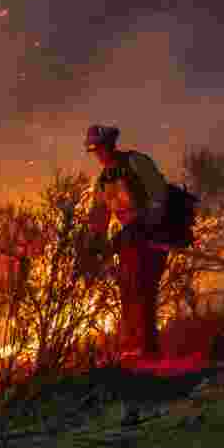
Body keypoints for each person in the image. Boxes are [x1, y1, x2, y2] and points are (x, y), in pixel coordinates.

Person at [78, 125, 170, 374]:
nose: (99, 154)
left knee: (143, 286)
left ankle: (148, 350)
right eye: (94, 150)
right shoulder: (103, 181)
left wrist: (148, 222)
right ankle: (135, 348)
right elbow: (98, 218)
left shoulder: (136, 162)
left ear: (111, 144)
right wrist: (91, 247)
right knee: (127, 286)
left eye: (101, 147)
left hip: (154, 236)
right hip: (131, 239)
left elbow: (160, 193)